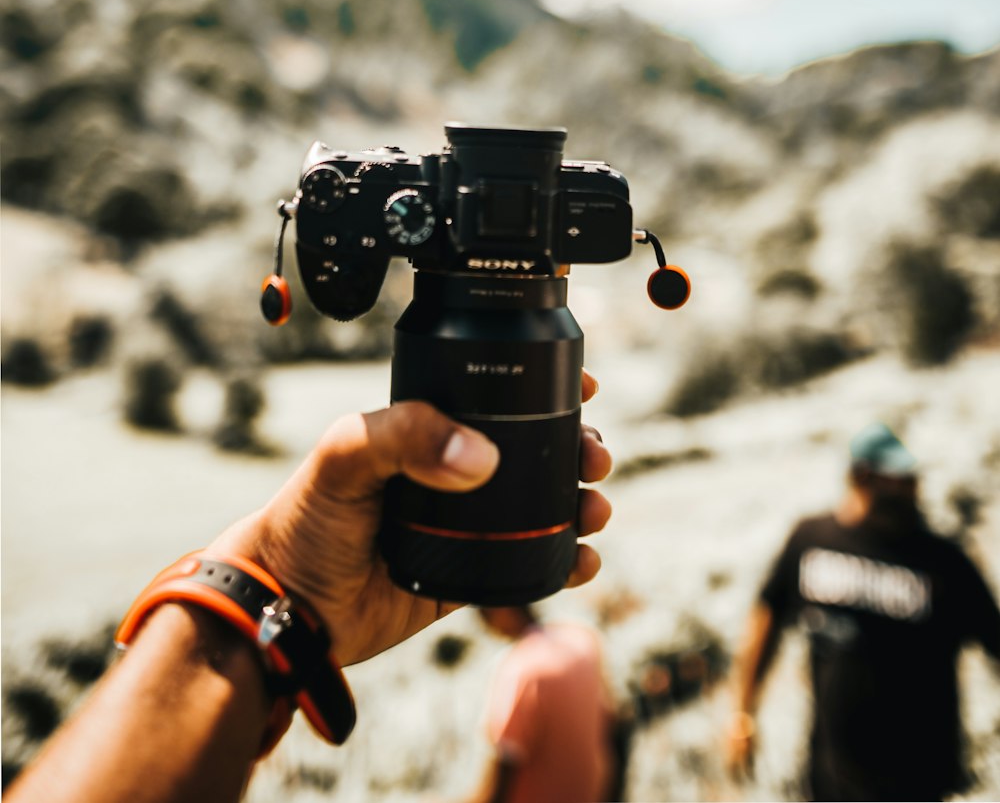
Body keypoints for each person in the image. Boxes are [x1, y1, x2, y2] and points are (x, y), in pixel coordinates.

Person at [8, 374, 613, 803]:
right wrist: (285, 590)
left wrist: (266, 585)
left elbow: (500, 781)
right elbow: (613, 740)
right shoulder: (583, 644)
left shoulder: (522, 674)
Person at [726, 421, 1000, 802]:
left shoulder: (944, 561)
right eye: (899, 478)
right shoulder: (811, 541)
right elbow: (765, 619)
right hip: (830, 779)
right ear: (862, 476)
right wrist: (742, 716)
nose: (912, 487)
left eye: (912, 477)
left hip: (919, 782)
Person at [468, 602, 617, 803]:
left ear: (499, 609)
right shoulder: (583, 638)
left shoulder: (519, 671)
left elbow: (497, 790)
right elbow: (610, 719)